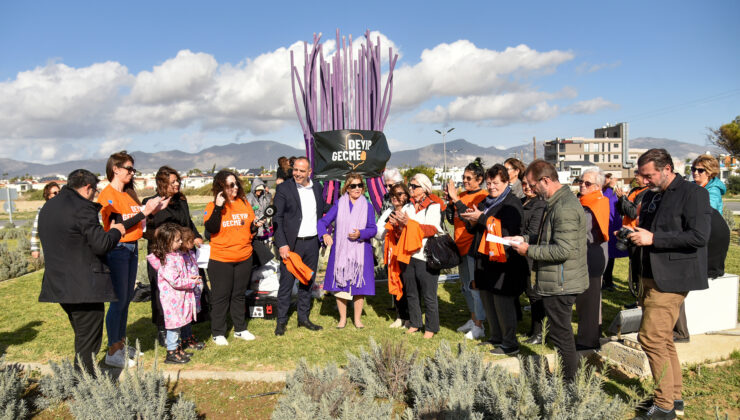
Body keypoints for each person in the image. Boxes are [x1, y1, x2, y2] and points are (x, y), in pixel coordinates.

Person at [627, 148, 710, 420]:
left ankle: (664, 408)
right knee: (663, 339)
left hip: (672, 278)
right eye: (642, 176)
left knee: (650, 338)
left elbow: (698, 236)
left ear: (666, 168)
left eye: (649, 175)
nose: (645, 181)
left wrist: (654, 240)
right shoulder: (651, 196)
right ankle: (673, 397)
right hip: (650, 274)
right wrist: (634, 234)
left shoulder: (693, 193)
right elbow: (652, 231)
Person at [507, 159, 588, 381]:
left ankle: (568, 382)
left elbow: (563, 250)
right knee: (559, 333)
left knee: (561, 336)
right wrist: (523, 239)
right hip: (558, 279)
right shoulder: (555, 203)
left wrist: (528, 250)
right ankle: (566, 377)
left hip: (561, 282)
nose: (530, 190)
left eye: (533, 185)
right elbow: (546, 236)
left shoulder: (565, 207)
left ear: (545, 180)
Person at [38, 169, 125, 374]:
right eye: (95, 191)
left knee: (82, 335)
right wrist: (116, 231)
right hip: (84, 286)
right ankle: (85, 386)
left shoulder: (50, 206)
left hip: (59, 283)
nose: (94, 195)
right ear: (87, 188)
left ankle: (82, 379)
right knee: (88, 341)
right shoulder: (82, 207)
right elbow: (101, 244)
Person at [98, 151, 169, 368]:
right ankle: (112, 350)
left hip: (131, 246)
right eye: (129, 168)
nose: (132, 172)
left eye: (133, 169)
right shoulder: (107, 196)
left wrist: (151, 211)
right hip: (118, 248)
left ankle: (119, 342)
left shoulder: (128, 195)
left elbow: (136, 221)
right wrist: (144, 212)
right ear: (115, 169)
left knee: (127, 297)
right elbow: (112, 227)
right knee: (118, 300)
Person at [461, 164, 527, 356]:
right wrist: (472, 221)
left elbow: (507, 231)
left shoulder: (511, 203)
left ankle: (510, 343)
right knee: (488, 300)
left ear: (506, 182)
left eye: (496, 183)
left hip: (503, 262)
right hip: (484, 261)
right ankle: (495, 337)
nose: (491, 187)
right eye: (489, 183)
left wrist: (481, 218)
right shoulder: (486, 202)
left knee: (502, 303)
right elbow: (477, 229)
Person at [143, 166, 204, 347]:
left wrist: (196, 236)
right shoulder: (150, 202)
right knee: (163, 293)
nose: (177, 184)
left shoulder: (181, 201)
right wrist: (166, 238)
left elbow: (188, 222)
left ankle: (186, 332)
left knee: (185, 292)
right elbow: (144, 230)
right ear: (162, 183)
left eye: (178, 181)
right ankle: (164, 330)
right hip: (162, 255)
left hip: (183, 254)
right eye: (173, 182)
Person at [273, 156, 328, 336]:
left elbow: (322, 210)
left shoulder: (317, 188)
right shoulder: (283, 188)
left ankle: (303, 318)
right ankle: (281, 321)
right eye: (295, 169)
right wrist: (282, 244)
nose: (297, 173)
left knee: (307, 281)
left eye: (301, 171)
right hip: (291, 244)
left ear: (309, 172)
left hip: (312, 243)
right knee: (286, 284)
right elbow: (277, 218)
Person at [204, 170, 260, 345]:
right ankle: (218, 332)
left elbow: (249, 229)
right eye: (230, 185)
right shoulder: (212, 206)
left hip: (244, 256)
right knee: (221, 297)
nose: (235, 188)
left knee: (239, 295)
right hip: (221, 259)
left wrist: (255, 226)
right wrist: (219, 206)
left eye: (236, 184)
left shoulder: (244, 203)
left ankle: (240, 329)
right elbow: (211, 229)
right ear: (221, 187)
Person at [318, 173, 377, 329]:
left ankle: (357, 319)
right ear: (347, 188)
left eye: (360, 185)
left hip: (361, 250)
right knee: (340, 285)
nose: (357, 188)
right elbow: (322, 222)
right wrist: (324, 234)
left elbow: (373, 229)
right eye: (353, 186)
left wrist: (361, 234)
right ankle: (342, 318)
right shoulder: (339, 204)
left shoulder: (368, 206)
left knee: (359, 286)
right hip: (341, 251)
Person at [394, 173, 445, 339]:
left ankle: (431, 327)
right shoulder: (408, 207)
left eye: (414, 186)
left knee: (429, 294)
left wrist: (409, 224)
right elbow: (405, 231)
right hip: (408, 255)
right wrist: (399, 225)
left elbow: (431, 229)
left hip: (426, 255)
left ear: (424, 189)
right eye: (410, 186)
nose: (410, 189)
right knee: (411, 291)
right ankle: (415, 323)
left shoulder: (433, 206)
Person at [146, 223, 202, 364]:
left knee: (180, 323)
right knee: (174, 326)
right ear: (167, 242)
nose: (181, 242)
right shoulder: (167, 260)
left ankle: (177, 349)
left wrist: (190, 278)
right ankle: (171, 352)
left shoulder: (175, 255)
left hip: (179, 297)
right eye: (178, 240)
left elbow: (180, 276)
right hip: (172, 299)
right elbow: (175, 281)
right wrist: (191, 282)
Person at [445, 158, 488, 340]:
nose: (465, 181)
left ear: (479, 179)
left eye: (469, 178)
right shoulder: (461, 195)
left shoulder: (482, 196)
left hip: (473, 247)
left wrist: (456, 199)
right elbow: (452, 219)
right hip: (459, 247)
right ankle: (473, 318)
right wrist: (450, 203)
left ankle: (480, 325)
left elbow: (469, 220)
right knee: (465, 287)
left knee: (474, 287)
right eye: (464, 177)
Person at [576, 168, 609, 351]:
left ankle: (588, 341)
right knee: (587, 300)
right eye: (581, 181)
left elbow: (584, 229)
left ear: (597, 186)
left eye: (587, 183)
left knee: (590, 301)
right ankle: (589, 336)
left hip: (593, 254)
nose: (582, 185)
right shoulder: (583, 201)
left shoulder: (597, 202)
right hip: (585, 254)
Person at [376, 183, 412, 328]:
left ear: (406, 196)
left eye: (399, 194)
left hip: (407, 253)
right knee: (395, 282)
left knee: (408, 286)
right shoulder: (389, 211)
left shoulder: (410, 210)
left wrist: (400, 225)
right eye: (392, 195)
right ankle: (399, 316)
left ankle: (410, 317)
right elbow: (378, 233)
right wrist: (388, 226)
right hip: (393, 253)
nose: (395, 198)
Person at [520, 175, 547, 345]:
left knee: (534, 293)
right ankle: (533, 329)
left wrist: (517, 238)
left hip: (531, 252)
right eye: (524, 184)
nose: (527, 187)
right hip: (519, 251)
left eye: (531, 185)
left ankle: (540, 332)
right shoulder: (521, 201)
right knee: (529, 292)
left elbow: (533, 231)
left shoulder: (540, 204)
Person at [602, 173, 627, 291]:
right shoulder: (603, 192)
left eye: (611, 178)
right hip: (605, 227)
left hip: (613, 227)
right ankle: (603, 281)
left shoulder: (614, 193)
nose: (611, 180)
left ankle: (608, 280)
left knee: (611, 256)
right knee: (605, 255)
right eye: (608, 178)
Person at [30, 182, 60, 259]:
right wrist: (35, 249)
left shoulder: (66, 208)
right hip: (51, 249)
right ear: (48, 196)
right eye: (55, 193)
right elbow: (35, 230)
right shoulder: (42, 211)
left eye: (59, 192)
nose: (58, 194)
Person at [246, 177, 274, 244]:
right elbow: (247, 211)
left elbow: (267, 207)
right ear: (254, 189)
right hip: (254, 227)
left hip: (263, 227)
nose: (260, 191)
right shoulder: (249, 198)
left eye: (261, 190)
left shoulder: (263, 198)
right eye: (258, 190)